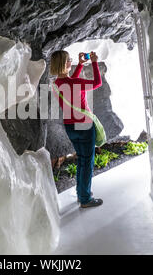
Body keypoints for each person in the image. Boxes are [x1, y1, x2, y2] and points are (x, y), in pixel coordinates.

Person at [50, 50, 103, 208]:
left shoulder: (56, 85)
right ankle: (85, 198)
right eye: (68, 61)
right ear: (63, 64)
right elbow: (97, 83)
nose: (70, 62)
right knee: (87, 161)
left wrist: (80, 65)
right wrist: (94, 62)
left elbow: (70, 81)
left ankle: (82, 193)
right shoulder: (75, 83)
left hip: (70, 126)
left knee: (82, 159)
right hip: (84, 125)